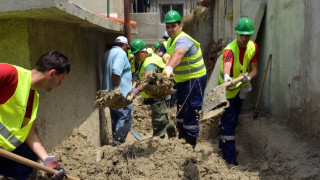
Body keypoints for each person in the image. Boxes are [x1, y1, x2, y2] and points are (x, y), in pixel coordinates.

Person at [0, 51, 70, 180]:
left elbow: (30, 135)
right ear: (52, 73)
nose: (60, 85)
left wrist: (50, 164)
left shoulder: (33, 98)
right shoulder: (9, 73)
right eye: (61, 79)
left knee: (28, 157)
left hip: (6, 152)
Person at [161, 10, 207, 148]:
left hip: (195, 80)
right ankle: (181, 140)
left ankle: (190, 145)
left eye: (173, 26)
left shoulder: (183, 39)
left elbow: (179, 53)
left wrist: (168, 68)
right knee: (180, 111)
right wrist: (166, 58)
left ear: (180, 26)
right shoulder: (171, 40)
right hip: (182, 81)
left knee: (191, 112)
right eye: (167, 27)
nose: (170, 30)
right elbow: (171, 53)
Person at [217, 17, 258, 166]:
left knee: (232, 121)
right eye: (242, 35)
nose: (244, 38)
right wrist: (227, 75)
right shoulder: (229, 49)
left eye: (247, 35)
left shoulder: (253, 47)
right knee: (229, 121)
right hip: (227, 92)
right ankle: (230, 157)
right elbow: (227, 63)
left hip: (239, 90)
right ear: (236, 33)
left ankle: (223, 146)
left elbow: (254, 70)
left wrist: (248, 78)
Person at [128, 38, 176, 139]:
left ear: (143, 52)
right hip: (160, 93)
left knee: (158, 121)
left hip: (159, 96)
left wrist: (136, 90)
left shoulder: (149, 64)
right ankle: (171, 133)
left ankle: (159, 144)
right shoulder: (147, 56)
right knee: (162, 116)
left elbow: (147, 81)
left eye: (137, 54)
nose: (135, 56)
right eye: (134, 54)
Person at [101, 36, 133, 145]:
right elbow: (115, 70)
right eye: (126, 47)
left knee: (116, 118)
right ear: (124, 45)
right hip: (120, 94)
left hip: (109, 94)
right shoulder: (121, 53)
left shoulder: (107, 54)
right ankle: (118, 144)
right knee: (125, 118)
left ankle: (115, 142)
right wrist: (117, 88)